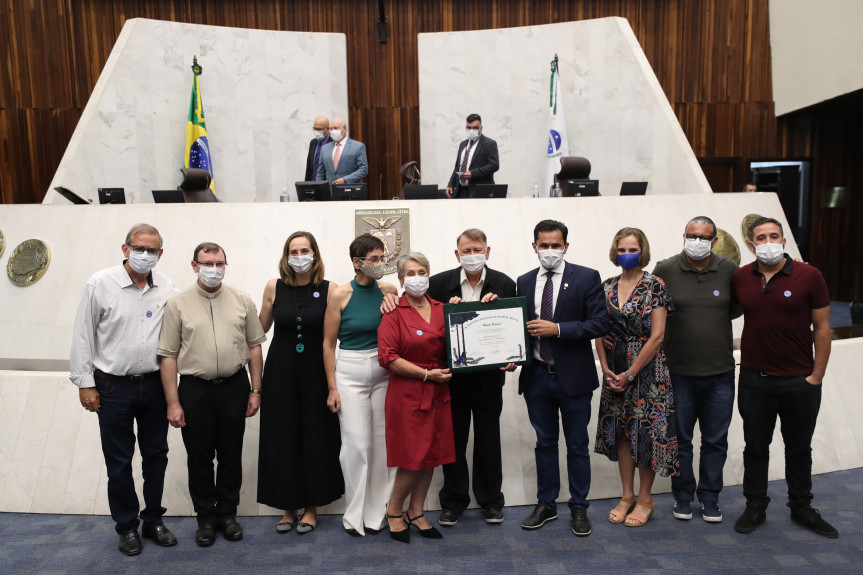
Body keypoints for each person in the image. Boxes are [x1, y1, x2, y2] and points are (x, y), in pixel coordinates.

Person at [70, 223, 178, 556]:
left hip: (155, 386)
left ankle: (153, 520)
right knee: (119, 462)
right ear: (125, 248)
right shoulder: (100, 284)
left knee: (156, 456)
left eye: (152, 250)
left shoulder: (168, 287)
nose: (145, 255)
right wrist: (85, 383)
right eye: (138, 248)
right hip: (112, 388)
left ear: (160, 254)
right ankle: (127, 527)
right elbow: (83, 335)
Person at [731, 217, 837, 538]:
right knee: (755, 447)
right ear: (752, 244)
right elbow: (728, 308)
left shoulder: (809, 276)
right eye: (761, 237)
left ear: (784, 240)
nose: (768, 242)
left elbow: (822, 328)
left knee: (799, 448)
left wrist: (816, 376)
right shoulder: (741, 276)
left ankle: (802, 507)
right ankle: (755, 506)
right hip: (754, 379)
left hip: (799, 381)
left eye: (774, 236)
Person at [157, 242, 266, 547]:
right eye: (208, 263)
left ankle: (228, 515)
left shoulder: (242, 300)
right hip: (195, 391)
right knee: (200, 457)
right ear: (195, 266)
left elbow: (255, 346)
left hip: (234, 386)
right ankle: (205, 518)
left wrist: (256, 390)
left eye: (219, 263)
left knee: (231, 455)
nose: (214, 269)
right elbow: (167, 356)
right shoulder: (177, 304)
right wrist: (173, 402)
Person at [515, 220, 610, 537]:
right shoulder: (524, 281)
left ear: (566, 246)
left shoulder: (586, 277)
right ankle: (547, 503)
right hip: (537, 377)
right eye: (544, 245)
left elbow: (599, 324)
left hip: (574, 378)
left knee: (577, 445)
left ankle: (579, 506)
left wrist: (558, 329)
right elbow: (518, 328)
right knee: (544, 444)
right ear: (534, 247)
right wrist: (510, 355)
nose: (550, 250)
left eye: (556, 245)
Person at [257, 231, 343, 535]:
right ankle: (288, 508)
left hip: (316, 374)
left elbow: (334, 336)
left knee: (316, 438)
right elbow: (258, 331)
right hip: (280, 372)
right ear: (285, 257)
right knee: (282, 438)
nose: (299, 256)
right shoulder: (273, 287)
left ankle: (311, 508)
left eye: (304, 250)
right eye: (293, 252)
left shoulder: (331, 289)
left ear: (315, 254)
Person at [653, 216, 738, 523]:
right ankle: (684, 496)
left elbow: (738, 306)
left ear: (714, 241)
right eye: (692, 235)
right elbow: (651, 308)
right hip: (679, 371)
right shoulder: (665, 269)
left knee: (716, 440)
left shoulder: (729, 269)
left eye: (704, 237)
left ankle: (711, 497)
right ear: (684, 236)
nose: (697, 241)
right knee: (681, 440)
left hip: (720, 373)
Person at [429, 229, 516, 527]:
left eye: (477, 249)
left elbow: (511, 331)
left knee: (488, 440)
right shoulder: (438, 284)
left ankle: (491, 500)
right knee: (453, 439)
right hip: (452, 378)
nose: (472, 255)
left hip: (489, 379)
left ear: (488, 252)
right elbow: (429, 330)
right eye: (466, 251)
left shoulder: (504, 283)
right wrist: (446, 315)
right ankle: (453, 500)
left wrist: (512, 359)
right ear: (457, 254)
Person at [594, 227, 677, 528]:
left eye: (632, 249)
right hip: (613, 370)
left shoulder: (656, 285)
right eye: (622, 249)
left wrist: (629, 374)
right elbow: (598, 332)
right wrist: (605, 369)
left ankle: (645, 498)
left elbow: (657, 337)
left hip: (647, 372)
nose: (627, 254)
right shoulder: (605, 287)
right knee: (621, 434)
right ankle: (626, 495)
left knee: (646, 434)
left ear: (643, 250)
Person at [323, 234, 398, 536]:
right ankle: (354, 515)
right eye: (375, 259)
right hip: (350, 369)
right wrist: (332, 387)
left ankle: (376, 512)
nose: (380, 264)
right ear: (357, 263)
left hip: (383, 368)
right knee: (356, 444)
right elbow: (328, 344)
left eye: (383, 258)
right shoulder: (340, 294)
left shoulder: (390, 289)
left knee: (382, 444)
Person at [378, 253, 455, 543]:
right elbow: (388, 358)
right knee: (413, 458)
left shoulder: (442, 308)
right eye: (410, 272)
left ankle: (417, 511)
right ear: (400, 279)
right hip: (409, 393)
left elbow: (462, 342)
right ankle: (395, 512)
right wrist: (426, 375)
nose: (417, 277)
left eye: (422, 272)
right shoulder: (393, 311)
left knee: (432, 455)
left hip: (439, 393)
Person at [446, 113, 499, 198]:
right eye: (469, 128)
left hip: (479, 191)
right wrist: (451, 183)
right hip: (460, 191)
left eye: (475, 128)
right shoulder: (463, 144)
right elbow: (457, 167)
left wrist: (473, 173)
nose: (471, 131)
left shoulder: (489, 144)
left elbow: (494, 165)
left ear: (481, 128)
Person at [314, 116, 369, 185]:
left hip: (349, 191)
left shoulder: (358, 147)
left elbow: (363, 169)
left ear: (345, 128)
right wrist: (318, 190)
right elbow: (320, 173)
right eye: (331, 129)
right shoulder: (325, 148)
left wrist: (345, 180)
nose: (333, 131)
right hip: (330, 192)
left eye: (336, 128)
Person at [305, 116, 331, 181]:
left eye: (319, 129)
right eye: (315, 129)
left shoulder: (334, 143)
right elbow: (309, 168)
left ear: (328, 129)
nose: (316, 132)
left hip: (327, 184)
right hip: (312, 184)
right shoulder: (313, 143)